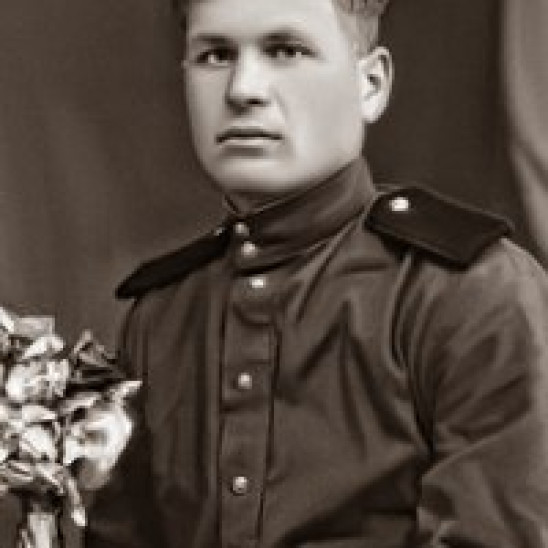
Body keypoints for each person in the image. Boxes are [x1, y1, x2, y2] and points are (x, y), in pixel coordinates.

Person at [83, 0, 548, 546]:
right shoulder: (161, 317)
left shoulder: (471, 294)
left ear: (371, 84)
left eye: (286, 50)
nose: (242, 89)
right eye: (215, 55)